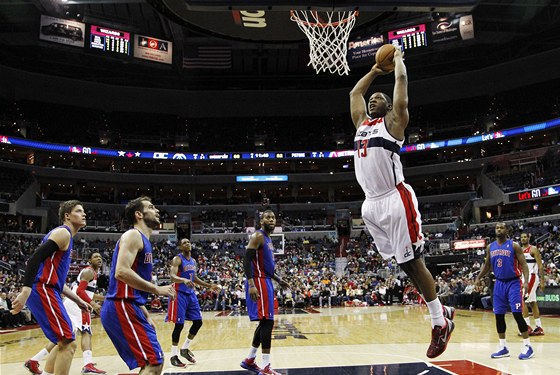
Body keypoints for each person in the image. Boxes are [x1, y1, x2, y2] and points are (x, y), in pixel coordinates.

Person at [349, 47, 454, 358]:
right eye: (373, 99)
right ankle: (442, 312)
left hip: (395, 198)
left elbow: (402, 95)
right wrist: (373, 71)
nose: (373, 100)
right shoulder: (361, 126)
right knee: (403, 263)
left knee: (412, 262)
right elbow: (355, 92)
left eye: (379, 98)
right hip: (370, 204)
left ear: (388, 107)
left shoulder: (394, 123)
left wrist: (397, 63)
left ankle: (439, 322)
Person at [11, 200, 92, 375]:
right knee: (69, 342)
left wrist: (77, 300)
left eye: (84, 211)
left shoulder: (65, 237)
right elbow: (34, 259)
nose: (84, 214)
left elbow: (58, 281)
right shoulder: (63, 233)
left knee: (62, 340)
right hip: (42, 290)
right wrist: (25, 291)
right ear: (67, 216)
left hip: (48, 289)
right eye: (79, 211)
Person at [100, 197, 176, 375]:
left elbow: (131, 285)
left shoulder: (144, 240)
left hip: (130, 306)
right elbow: (121, 272)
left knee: (153, 362)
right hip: (122, 305)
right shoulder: (133, 235)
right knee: (153, 362)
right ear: (139, 214)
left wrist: (145, 313)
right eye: (151, 207)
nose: (156, 210)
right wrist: (156, 289)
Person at [25, 252, 107, 375]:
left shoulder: (94, 274)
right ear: (90, 260)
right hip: (75, 305)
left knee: (64, 339)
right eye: (95, 257)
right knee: (83, 333)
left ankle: (34, 360)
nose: (99, 259)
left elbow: (89, 293)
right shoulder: (89, 272)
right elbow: (79, 292)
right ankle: (88, 364)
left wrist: (105, 299)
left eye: (100, 257)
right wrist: (94, 304)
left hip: (74, 304)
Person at [240, 209, 290, 375]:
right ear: (261, 221)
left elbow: (266, 266)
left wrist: (278, 279)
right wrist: (251, 284)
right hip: (259, 282)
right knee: (267, 322)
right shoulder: (258, 236)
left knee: (264, 322)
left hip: (265, 280)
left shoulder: (268, 239)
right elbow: (246, 260)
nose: (271, 219)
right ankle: (266, 366)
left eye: (273, 217)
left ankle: (250, 360)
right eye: (268, 217)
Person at [475, 222, 533, 360]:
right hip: (499, 283)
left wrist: (525, 282)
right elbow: (487, 265)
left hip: (513, 282)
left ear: (507, 230)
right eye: (497, 228)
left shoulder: (514, 246)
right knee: (499, 315)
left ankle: (527, 346)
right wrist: (478, 277)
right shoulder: (490, 247)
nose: (499, 229)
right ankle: (503, 347)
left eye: (501, 228)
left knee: (517, 314)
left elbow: (524, 264)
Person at [166, 238, 221, 368]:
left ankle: (184, 348)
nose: (188, 244)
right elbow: (172, 276)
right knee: (179, 325)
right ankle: (173, 356)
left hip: (190, 294)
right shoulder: (177, 259)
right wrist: (183, 280)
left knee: (198, 322)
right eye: (184, 242)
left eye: (189, 242)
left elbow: (193, 278)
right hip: (178, 293)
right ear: (180, 247)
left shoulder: (193, 261)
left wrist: (209, 285)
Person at [519, 232, 546, 336]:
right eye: (522, 237)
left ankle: (527, 327)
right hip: (524, 277)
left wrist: (542, 281)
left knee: (522, 301)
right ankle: (539, 327)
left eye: (525, 237)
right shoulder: (519, 250)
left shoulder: (533, 249)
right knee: (533, 302)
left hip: (532, 277)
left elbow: (540, 266)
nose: (523, 239)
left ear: (528, 238)